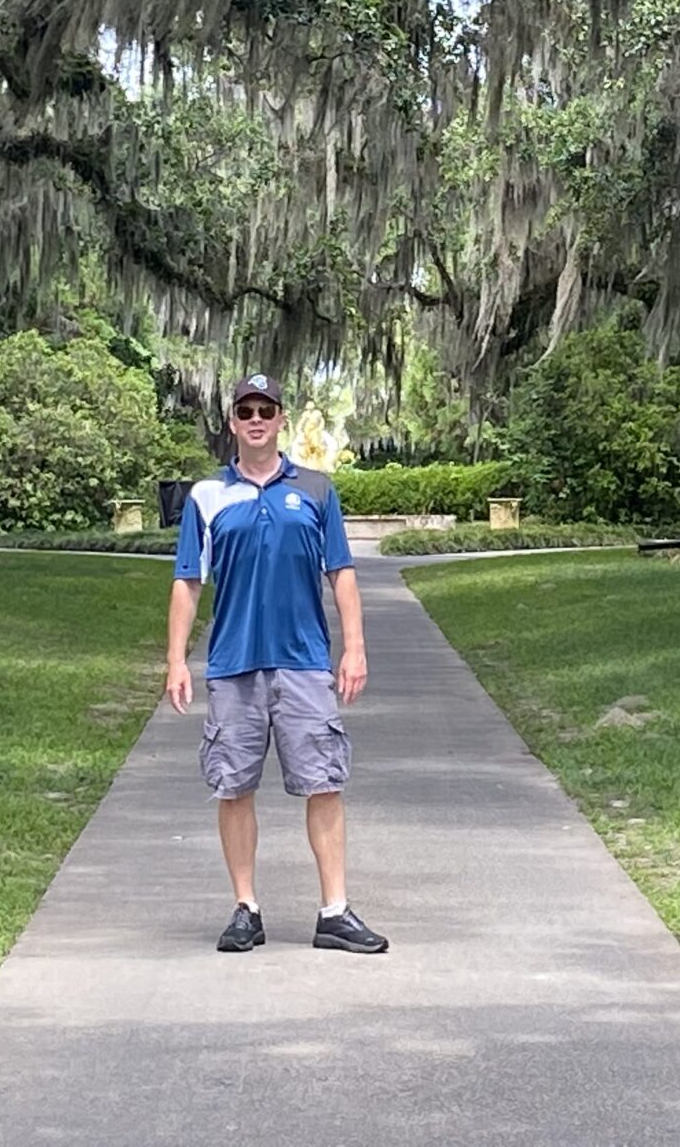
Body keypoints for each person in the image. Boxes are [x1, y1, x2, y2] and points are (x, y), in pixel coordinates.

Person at [165, 373, 387, 955]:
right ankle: (246, 908)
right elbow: (188, 581)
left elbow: (341, 571)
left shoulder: (315, 490)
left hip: (305, 663)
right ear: (233, 423)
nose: (256, 419)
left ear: (280, 418)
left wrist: (355, 647)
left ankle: (334, 910)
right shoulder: (206, 496)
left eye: (266, 409)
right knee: (234, 787)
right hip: (233, 665)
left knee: (325, 782)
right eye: (246, 410)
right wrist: (176, 660)